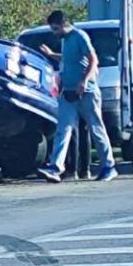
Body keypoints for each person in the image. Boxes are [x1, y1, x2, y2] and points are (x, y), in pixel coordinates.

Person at [37, 10, 117, 183]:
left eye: (56, 28)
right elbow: (68, 60)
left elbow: (93, 59)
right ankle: (56, 167)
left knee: (95, 127)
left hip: (86, 91)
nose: (55, 32)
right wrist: (51, 55)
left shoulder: (80, 36)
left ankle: (108, 166)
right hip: (69, 91)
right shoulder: (66, 41)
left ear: (65, 24)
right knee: (63, 129)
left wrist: (84, 81)